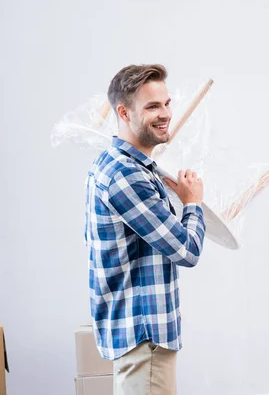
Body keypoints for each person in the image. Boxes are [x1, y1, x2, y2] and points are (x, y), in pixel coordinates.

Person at [84, 64, 206, 394]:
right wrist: (192, 202)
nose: (165, 114)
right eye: (152, 106)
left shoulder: (126, 166)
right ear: (123, 112)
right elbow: (186, 250)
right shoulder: (126, 175)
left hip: (142, 338)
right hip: (145, 337)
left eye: (166, 103)